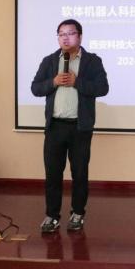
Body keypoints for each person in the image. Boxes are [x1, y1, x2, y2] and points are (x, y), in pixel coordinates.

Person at [31, 19, 108, 233]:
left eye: (70, 33)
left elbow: (103, 88)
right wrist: (53, 82)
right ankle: (52, 215)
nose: (65, 38)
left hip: (80, 127)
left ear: (80, 36)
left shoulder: (92, 61)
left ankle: (78, 213)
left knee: (79, 173)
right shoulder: (49, 61)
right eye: (61, 34)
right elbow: (35, 88)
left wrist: (77, 82)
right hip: (55, 127)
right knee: (53, 174)